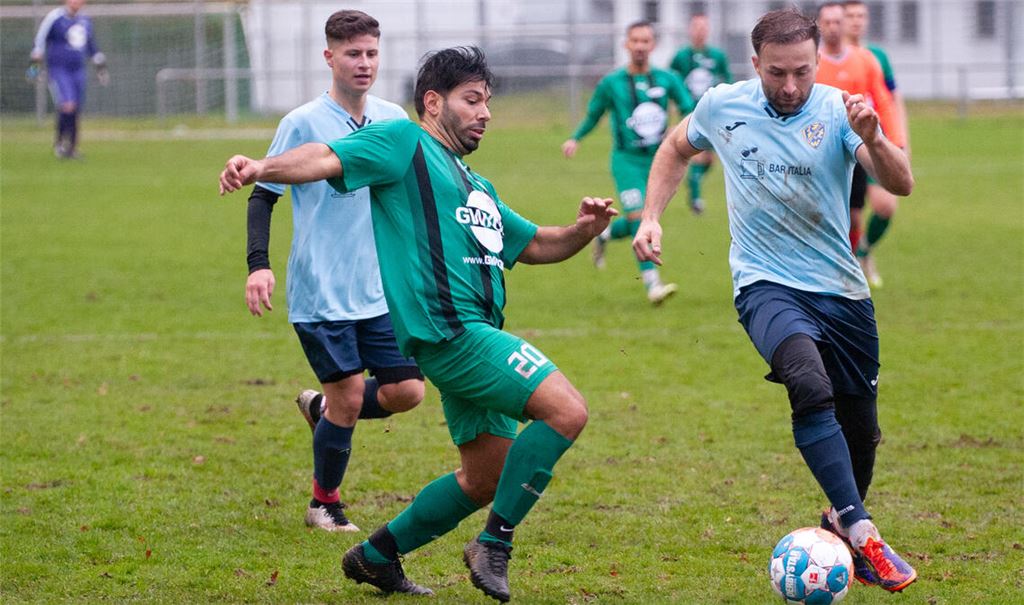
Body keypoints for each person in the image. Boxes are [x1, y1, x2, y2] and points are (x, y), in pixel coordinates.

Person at [220, 46, 616, 602]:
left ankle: (376, 557)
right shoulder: (405, 142)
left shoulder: (476, 184)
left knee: (484, 479)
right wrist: (263, 167)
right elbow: (325, 157)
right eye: (471, 100)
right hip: (452, 334)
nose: (485, 113)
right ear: (433, 102)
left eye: (487, 103)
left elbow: (536, 244)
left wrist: (585, 228)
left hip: (468, 334)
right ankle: (494, 545)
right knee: (567, 411)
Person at [632, 8, 918, 594]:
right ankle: (863, 531)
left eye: (803, 73)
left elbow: (901, 181)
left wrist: (873, 139)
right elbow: (673, 149)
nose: (791, 87)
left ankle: (841, 517)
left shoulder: (839, 109)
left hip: (842, 293)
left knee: (861, 432)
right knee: (807, 385)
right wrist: (652, 217)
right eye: (777, 74)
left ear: (817, 63)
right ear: (755, 63)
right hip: (765, 284)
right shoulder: (721, 104)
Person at [243, 10, 425, 534]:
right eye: (352, 53)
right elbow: (263, 195)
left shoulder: (394, 119)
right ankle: (324, 503)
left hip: (381, 287)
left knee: (407, 392)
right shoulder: (301, 122)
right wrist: (260, 266)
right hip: (321, 288)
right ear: (330, 57)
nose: (363, 63)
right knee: (349, 398)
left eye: (370, 52)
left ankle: (322, 408)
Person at [562, 21, 693, 305]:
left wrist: (681, 132)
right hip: (626, 161)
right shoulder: (612, 83)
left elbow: (688, 109)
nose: (640, 46)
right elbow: (594, 113)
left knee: (647, 218)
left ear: (653, 45)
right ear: (626, 45)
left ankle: (606, 232)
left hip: (659, 162)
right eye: (635, 41)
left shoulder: (668, 79)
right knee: (638, 217)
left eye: (645, 41)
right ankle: (652, 285)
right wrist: (576, 138)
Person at [814, 2, 906, 288]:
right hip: (827, 150)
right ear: (818, 24)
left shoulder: (868, 59)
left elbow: (886, 102)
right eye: (828, 21)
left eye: (840, 20)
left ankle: (858, 256)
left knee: (885, 206)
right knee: (844, 217)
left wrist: (896, 143)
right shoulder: (812, 63)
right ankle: (838, 269)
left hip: (863, 143)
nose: (835, 26)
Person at [843, 0, 911, 287]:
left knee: (885, 206)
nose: (856, 21)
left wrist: (900, 140)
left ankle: (864, 251)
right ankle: (847, 268)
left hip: (874, 141)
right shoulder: (829, 57)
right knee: (851, 218)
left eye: (861, 15)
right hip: (843, 143)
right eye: (851, 16)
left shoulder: (877, 57)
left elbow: (892, 99)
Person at [669, 14, 733, 215]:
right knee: (698, 155)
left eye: (704, 27)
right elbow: (670, 84)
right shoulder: (681, 57)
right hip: (689, 113)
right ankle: (696, 199)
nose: (700, 30)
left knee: (709, 161)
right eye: (696, 26)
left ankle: (693, 183)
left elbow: (727, 82)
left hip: (713, 114)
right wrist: (673, 115)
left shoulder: (717, 56)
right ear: (690, 30)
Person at [29, 0, 109, 159]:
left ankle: (71, 148)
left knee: (75, 108)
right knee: (68, 105)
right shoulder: (55, 18)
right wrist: (33, 69)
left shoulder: (85, 20)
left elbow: (91, 47)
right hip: (59, 70)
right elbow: (40, 43)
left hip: (78, 71)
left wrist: (100, 68)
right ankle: (60, 143)